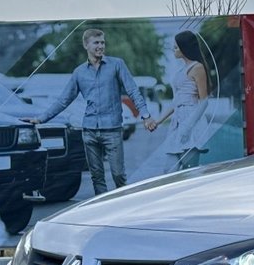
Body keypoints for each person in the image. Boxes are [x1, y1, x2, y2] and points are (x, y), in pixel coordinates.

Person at [29, 29, 156, 195]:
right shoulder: (79, 73)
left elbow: (133, 91)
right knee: (97, 176)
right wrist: (40, 119)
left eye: (102, 42)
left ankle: (124, 206)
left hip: (112, 130)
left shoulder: (117, 65)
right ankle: (103, 209)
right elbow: (63, 100)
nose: (100, 46)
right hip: (89, 131)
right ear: (86, 45)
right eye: (96, 42)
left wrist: (145, 115)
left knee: (118, 175)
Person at [154, 31, 211, 173]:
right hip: (177, 122)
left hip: (191, 120)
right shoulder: (180, 70)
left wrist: (187, 127)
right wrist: (159, 121)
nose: (174, 50)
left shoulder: (197, 68)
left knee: (190, 172)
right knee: (168, 172)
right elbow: (176, 101)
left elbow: (204, 101)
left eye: (177, 47)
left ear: (185, 48)